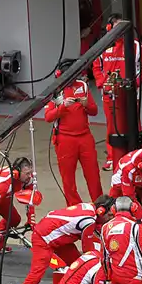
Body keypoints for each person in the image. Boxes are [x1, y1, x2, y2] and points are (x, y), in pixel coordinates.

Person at [9, 204, 96, 284]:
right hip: (43, 239)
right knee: (34, 278)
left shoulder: (92, 209)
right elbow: (89, 251)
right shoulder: (89, 220)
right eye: (110, 215)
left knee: (79, 268)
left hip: (58, 236)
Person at [92, 14, 142, 170]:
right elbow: (96, 68)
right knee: (112, 126)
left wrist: (136, 83)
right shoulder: (101, 46)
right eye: (117, 26)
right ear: (109, 28)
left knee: (133, 122)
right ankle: (113, 157)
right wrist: (103, 84)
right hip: (110, 94)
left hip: (131, 93)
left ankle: (136, 154)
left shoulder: (136, 45)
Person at [44, 72, 102, 205]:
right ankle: (74, 208)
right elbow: (48, 117)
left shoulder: (82, 85)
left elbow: (94, 111)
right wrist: (63, 106)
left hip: (85, 137)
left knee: (93, 174)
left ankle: (99, 205)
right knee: (68, 178)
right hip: (65, 139)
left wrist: (86, 104)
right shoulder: (55, 90)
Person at [108, 148, 142, 213]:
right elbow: (129, 197)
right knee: (116, 203)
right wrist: (141, 217)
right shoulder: (128, 169)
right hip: (122, 180)